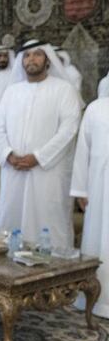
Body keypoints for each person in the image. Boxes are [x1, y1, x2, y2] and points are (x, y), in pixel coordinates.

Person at [0, 40, 82, 248]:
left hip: (47, 172)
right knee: (11, 226)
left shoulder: (64, 90)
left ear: (48, 60)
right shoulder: (12, 91)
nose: (31, 59)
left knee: (48, 224)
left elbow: (68, 130)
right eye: (27, 55)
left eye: (37, 55)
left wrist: (39, 157)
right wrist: (8, 155)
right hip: (13, 170)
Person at [70, 95, 109, 318]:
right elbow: (82, 151)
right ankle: (95, 300)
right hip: (98, 189)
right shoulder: (95, 109)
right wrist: (80, 190)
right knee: (98, 242)